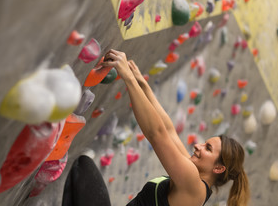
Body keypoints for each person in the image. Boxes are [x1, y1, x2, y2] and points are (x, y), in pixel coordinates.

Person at [100, 49, 250, 206]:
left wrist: (128, 78)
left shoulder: (193, 186)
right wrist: (142, 83)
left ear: (218, 168)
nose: (197, 145)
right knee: (83, 167)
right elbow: (169, 130)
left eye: (208, 148)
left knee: (82, 167)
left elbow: (156, 134)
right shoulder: (193, 174)